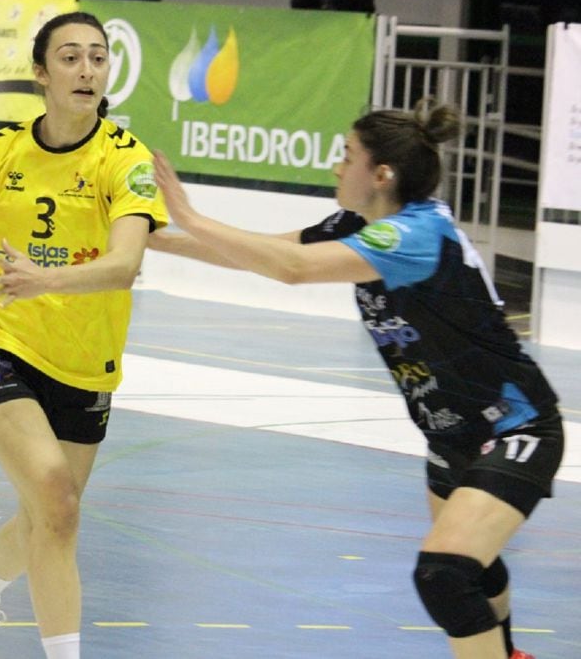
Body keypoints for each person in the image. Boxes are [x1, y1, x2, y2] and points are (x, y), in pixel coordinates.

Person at [148, 98, 560, 659]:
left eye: (347, 156)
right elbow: (267, 255)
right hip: (450, 432)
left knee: (444, 574)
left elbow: (292, 271)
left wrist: (191, 215)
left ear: (382, 174)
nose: (337, 168)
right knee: (472, 564)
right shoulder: (357, 224)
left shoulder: (413, 236)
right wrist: (153, 238)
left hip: (518, 424)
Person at [0, 11, 168, 659]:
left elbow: (126, 264)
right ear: (40, 73)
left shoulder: (125, 160)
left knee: (49, 518)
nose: (87, 70)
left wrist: (45, 280)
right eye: (71, 57)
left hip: (86, 366)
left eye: (98, 58)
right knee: (55, 496)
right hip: (1, 346)